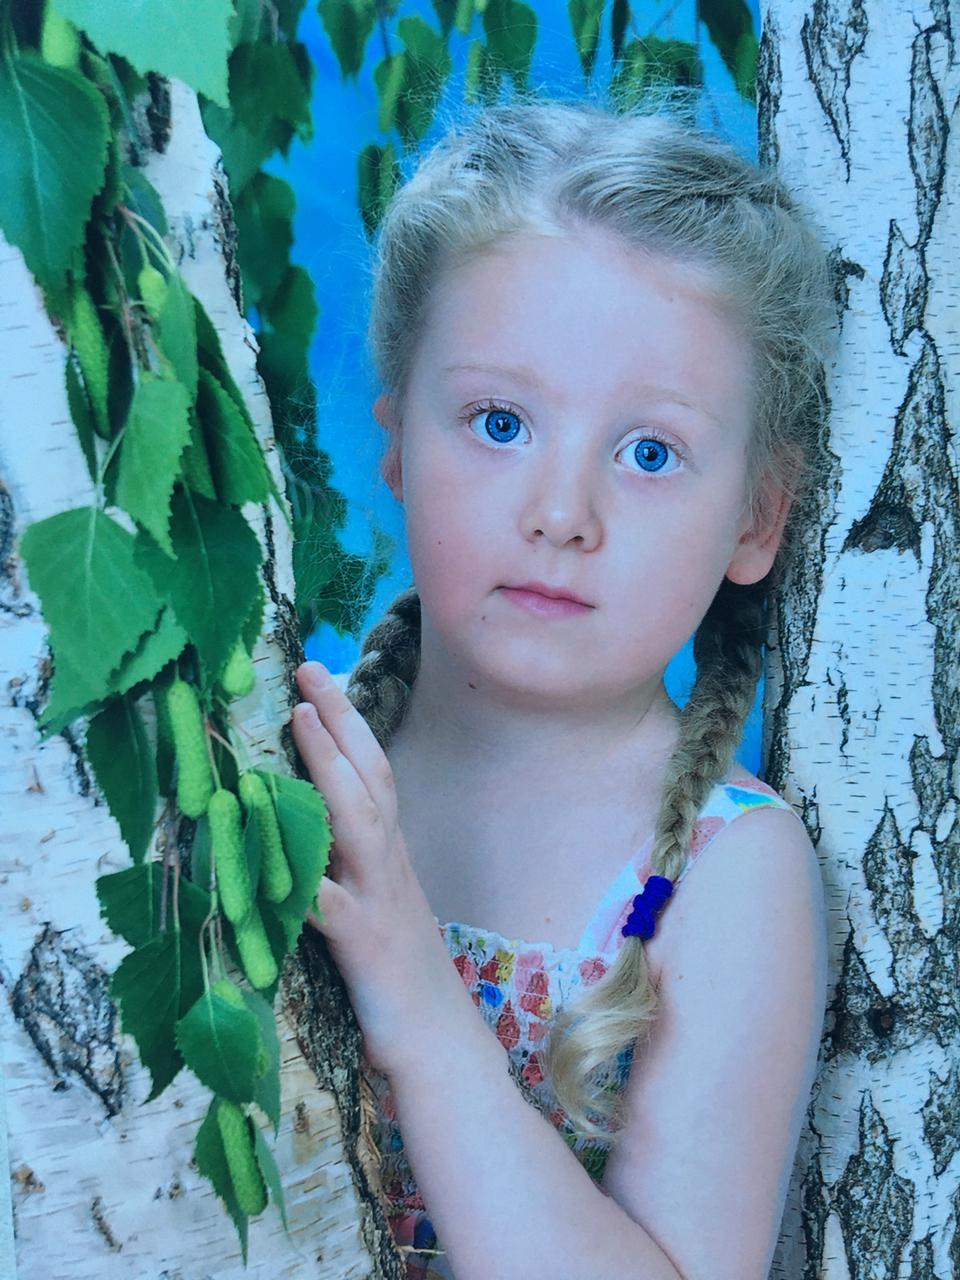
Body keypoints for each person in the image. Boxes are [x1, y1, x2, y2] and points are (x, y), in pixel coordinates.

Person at [291, 95, 834, 1280]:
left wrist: (417, 999)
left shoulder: (723, 877)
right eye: (499, 421)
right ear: (395, 439)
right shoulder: (293, 772)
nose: (561, 512)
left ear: (758, 516)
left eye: (649, 452)